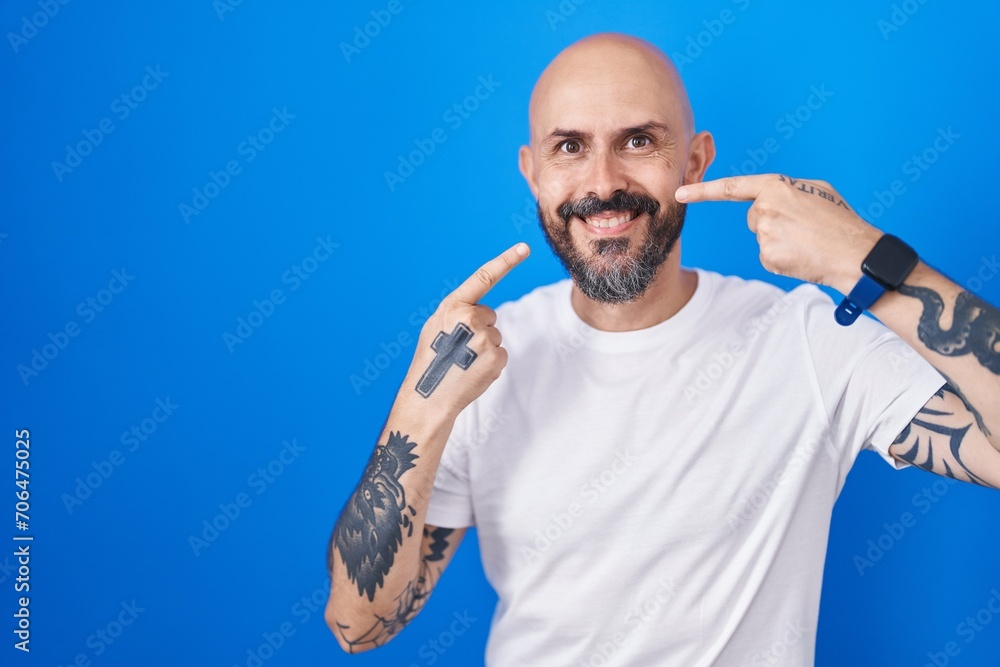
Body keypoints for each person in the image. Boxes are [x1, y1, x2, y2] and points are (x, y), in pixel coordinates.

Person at [324, 32, 1000, 665]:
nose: (601, 183)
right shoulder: (481, 365)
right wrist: (419, 409)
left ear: (696, 159)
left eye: (638, 140)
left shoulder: (809, 341)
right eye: (569, 147)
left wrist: (871, 261)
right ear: (532, 172)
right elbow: (360, 623)